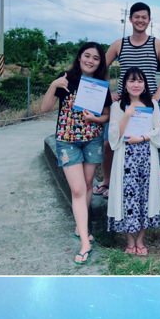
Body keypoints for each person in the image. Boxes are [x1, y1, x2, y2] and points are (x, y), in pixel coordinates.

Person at [41, 42, 111, 265]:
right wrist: (54, 85)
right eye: (87, 56)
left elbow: (106, 115)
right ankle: (85, 242)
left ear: (100, 63)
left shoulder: (100, 85)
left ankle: (80, 225)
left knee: (89, 184)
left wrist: (95, 119)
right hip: (67, 142)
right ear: (79, 57)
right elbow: (45, 108)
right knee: (78, 189)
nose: (90, 61)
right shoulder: (65, 79)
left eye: (96, 58)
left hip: (92, 141)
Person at [95, 2, 160, 196]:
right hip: (122, 103)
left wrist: (159, 91)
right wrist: (107, 93)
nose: (140, 20)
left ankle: (141, 182)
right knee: (110, 143)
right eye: (136, 17)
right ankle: (108, 181)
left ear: (149, 20)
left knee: (144, 142)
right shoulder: (119, 44)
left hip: (147, 103)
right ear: (130, 19)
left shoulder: (156, 43)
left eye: (144, 17)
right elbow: (100, 67)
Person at [106, 68, 160, 255]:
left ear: (145, 84)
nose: (136, 85)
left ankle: (141, 240)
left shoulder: (152, 104)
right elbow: (114, 134)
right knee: (126, 198)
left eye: (140, 81)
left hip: (147, 156)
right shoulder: (118, 107)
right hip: (125, 158)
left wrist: (143, 138)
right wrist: (127, 115)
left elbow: (158, 128)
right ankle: (129, 240)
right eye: (132, 81)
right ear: (125, 84)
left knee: (145, 197)